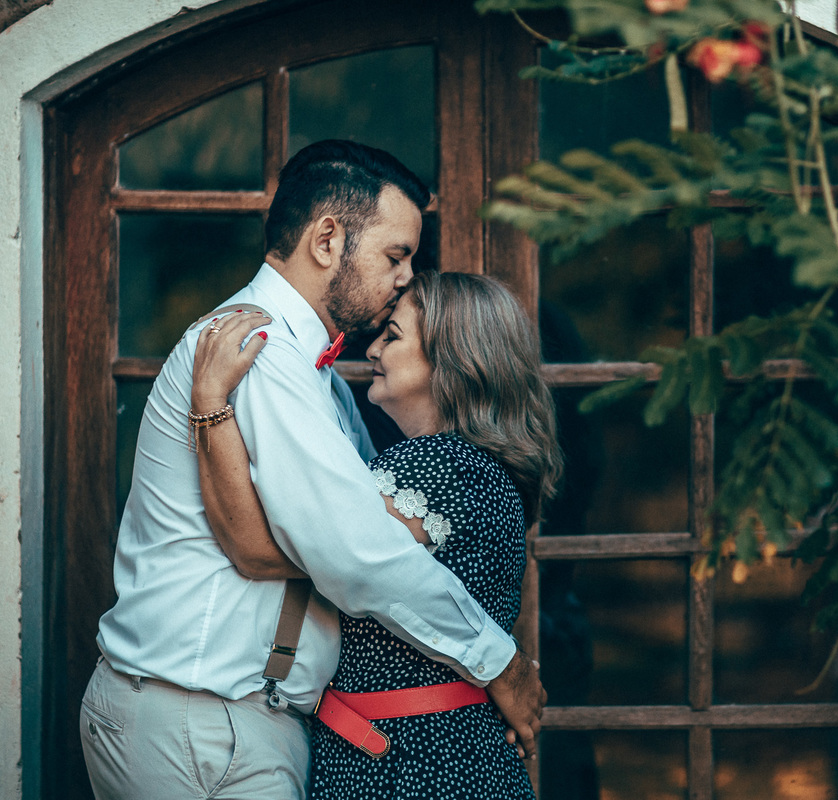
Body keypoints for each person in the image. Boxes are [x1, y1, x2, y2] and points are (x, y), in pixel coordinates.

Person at [79, 140, 545, 800]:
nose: (406, 278)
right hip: (201, 721)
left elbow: (325, 541)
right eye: (395, 255)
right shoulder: (260, 350)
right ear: (327, 240)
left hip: (231, 721)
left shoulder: (316, 377)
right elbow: (352, 552)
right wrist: (498, 661)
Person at [192, 270, 560, 798]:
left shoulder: (436, 466)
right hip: (445, 751)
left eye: (393, 336)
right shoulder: (478, 468)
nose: (372, 349)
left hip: (412, 762)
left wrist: (210, 403)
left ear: (452, 360)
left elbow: (259, 550)